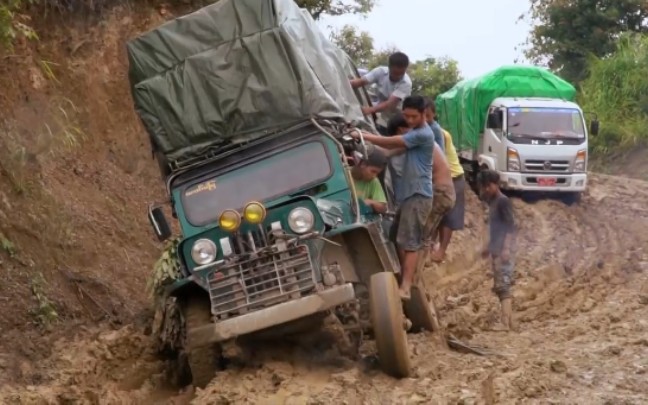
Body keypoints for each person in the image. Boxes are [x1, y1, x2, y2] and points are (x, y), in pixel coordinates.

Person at [352, 95, 434, 300]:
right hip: (408, 196)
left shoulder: (423, 134)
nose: (410, 121)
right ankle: (405, 279)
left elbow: (392, 143)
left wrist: (364, 135)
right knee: (396, 236)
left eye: (414, 116)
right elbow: (389, 152)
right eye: (406, 116)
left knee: (410, 240)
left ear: (424, 114)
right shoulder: (414, 133)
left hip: (418, 194)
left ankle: (406, 287)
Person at [478, 170, 516, 331]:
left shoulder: (502, 201)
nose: (486, 189)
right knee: (500, 285)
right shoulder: (493, 202)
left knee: (503, 286)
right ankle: (509, 322)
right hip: (496, 249)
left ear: (495, 184)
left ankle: (505, 323)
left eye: (488, 186)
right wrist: (488, 247)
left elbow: (511, 226)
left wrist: (506, 248)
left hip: (503, 250)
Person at [350, 52, 412, 134]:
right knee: (380, 133)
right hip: (383, 116)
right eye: (395, 73)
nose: (398, 76)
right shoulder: (380, 72)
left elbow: (390, 104)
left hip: (398, 117)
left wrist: (369, 110)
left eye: (401, 73)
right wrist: (345, 83)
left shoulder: (406, 83)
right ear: (389, 67)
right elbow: (360, 82)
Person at [430, 131, 466, 263]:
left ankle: (441, 251)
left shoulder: (440, 134)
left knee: (449, 217)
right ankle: (432, 247)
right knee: (436, 215)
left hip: (453, 178)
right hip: (439, 179)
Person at [351, 144, 388, 214]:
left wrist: (371, 202)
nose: (374, 176)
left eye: (377, 173)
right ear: (363, 164)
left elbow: (383, 208)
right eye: (373, 171)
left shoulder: (373, 181)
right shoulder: (343, 173)